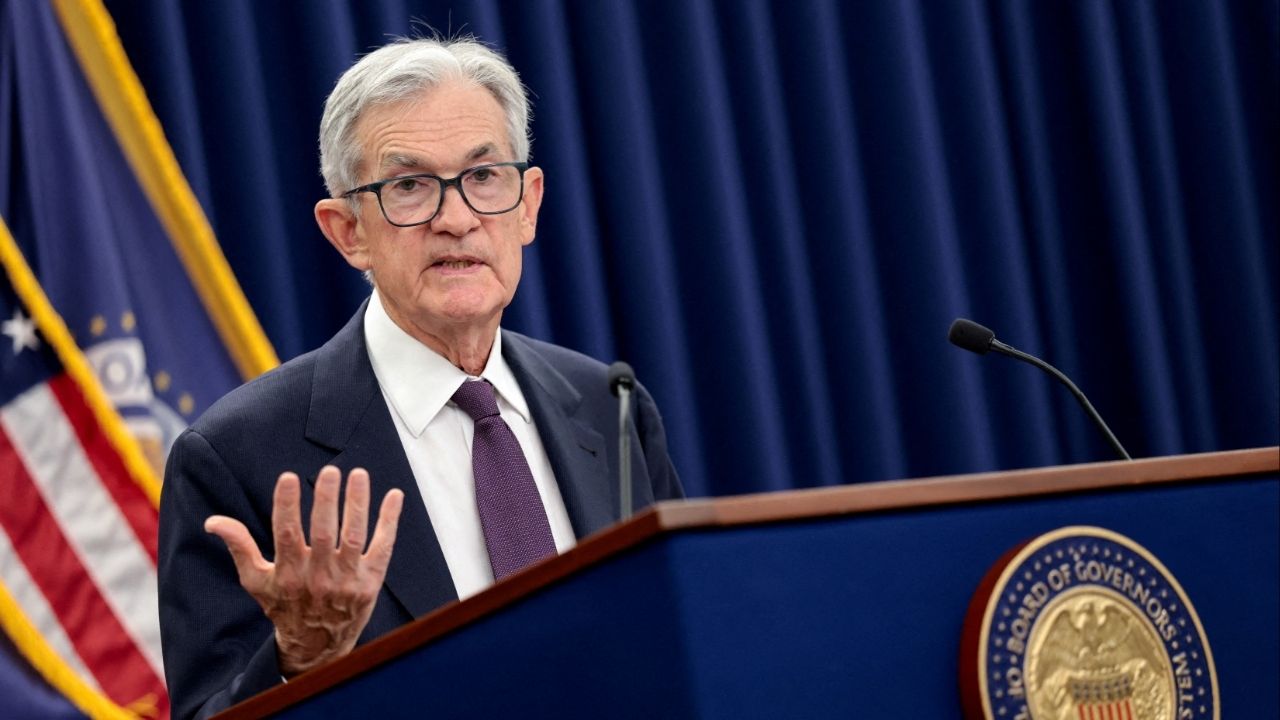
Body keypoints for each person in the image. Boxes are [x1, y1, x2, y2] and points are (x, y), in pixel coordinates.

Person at [158, 37, 682, 720]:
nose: (457, 219)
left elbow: (679, 642)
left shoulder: (609, 407)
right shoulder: (239, 457)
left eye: (484, 177)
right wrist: (302, 665)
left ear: (528, 203)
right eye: (409, 186)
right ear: (348, 231)